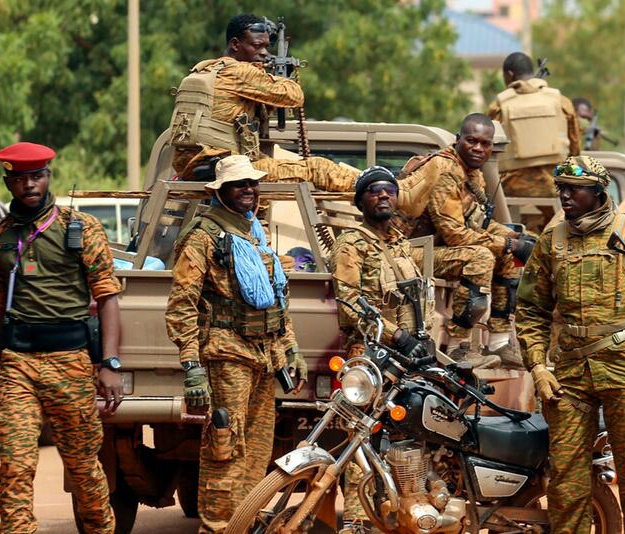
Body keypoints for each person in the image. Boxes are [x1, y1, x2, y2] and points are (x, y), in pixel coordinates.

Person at [516, 155, 625, 533]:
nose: (565, 197)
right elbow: (531, 308)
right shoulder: (553, 240)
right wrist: (537, 367)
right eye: (561, 189)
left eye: (574, 189)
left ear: (598, 192)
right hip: (569, 373)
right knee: (566, 481)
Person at [0, 142, 123, 533]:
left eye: (37, 176)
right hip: (17, 364)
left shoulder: (81, 228)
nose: (30, 184)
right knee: (15, 466)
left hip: (70, 362)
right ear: (9, 181)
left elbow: (107, 297)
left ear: (48, 177)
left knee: (83, 470)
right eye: (21, 178)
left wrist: (110, 364)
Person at [165, 154, 306, 534]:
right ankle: (216, 527)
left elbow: (278, 299)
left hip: (264, 355)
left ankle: (244, 524)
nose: (249, 190)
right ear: (221, 191)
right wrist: (192, 367)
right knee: (224, 450)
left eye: (253, 183)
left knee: (258, 454)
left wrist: (291, 348)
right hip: (226, 356)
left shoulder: (253, 234)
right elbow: (182, 306)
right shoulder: (204, 237)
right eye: (239, 184)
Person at [331, 166, 435, 533]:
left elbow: (417, 294)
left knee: (409, 437)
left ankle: (402, 512)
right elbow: (349, 301)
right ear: (361, 201)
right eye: (374, 191)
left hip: (406, 359)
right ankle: (359, 522)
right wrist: (396, 336)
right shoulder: (351, 244)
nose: (383, 196)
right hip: (371, 356)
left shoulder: (399, 241)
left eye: (389, 190)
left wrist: (421, 337)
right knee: (362, 439)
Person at [393, 113, 534, 369]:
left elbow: (476, 223)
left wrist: (515, 238)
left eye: (485, 143)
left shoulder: (472, 172)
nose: (479, 148)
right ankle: (460, 348)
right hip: (405, 253)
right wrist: (509, 244)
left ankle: (501, 342)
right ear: (458, 140)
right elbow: (455, 234)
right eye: (472, 141)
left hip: (431, 249)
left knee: (510, 250)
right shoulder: (446, 172)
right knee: (482, 257)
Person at [170, 13, 356, 192]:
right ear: (235, 44)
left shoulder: (207, 70)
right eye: (257, 46)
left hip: (194, 165)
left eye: (267, 47)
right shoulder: (240, 72)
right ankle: (370, 184)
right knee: (318, 169)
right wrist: (277, 76)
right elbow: (294, 95)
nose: (265, 53)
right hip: (227, 169)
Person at [487, 52, 581, 232]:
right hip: (556, 185)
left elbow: (486, 150)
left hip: (511, 186)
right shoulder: (561, 102)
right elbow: (575, 147)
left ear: (510, 74)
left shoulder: (498, 106)